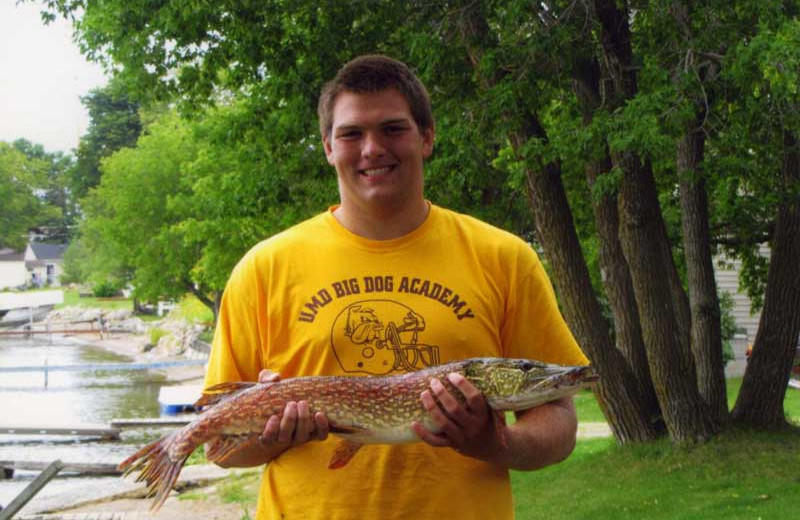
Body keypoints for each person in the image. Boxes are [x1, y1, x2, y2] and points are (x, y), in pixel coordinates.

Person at [204, 54, 589, 520]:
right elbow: (219, 450)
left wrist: (496, 441)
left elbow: (560, 423)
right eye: (351, 133)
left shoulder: (503, 257)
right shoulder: (264, 268)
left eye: (392, 129)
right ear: (327, 146)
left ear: (426, 137)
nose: (371, 149)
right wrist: (269, 437)